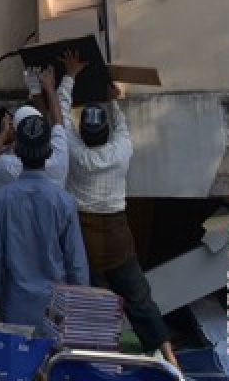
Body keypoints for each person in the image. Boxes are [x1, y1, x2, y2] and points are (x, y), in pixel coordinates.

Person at [59, 49, 179, 368]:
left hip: (86, 242)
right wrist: (113, 100)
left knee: (96, 307)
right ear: (107, 132)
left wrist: (69, 75)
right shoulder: (121, 151)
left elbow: (60, 116)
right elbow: (123, 127)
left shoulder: (75, 154)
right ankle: (171, 362)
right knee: (140, 302)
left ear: (82, 132)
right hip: (117, 239)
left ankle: (102, 364)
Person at [0, 114, 89, 330]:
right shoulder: (64, 202)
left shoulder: (1, 199)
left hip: (14, 308)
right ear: (49, 152)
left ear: (17, 151)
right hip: (56, 311)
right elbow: (76, 264)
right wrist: (80, 307)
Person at [0, 66, 69, 190]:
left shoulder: (8, 166)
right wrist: (48, 88)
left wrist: (3, 133)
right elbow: (57, 123)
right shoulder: (58, 159)